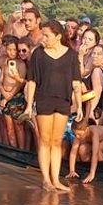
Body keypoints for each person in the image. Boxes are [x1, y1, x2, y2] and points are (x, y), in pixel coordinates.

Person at [25, 19, 80, 191]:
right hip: (44, 99)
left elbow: (76, 82)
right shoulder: (38, 54)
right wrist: (29, 105)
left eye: (47, 35)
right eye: (43, 35)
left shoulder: (71, 55)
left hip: (63, 100)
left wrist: (79, 105)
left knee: (57, 141)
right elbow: (32, 81)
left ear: (57, 36)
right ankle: (46, 180)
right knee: (45, 139)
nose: (43, 38)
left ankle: (56, 180)